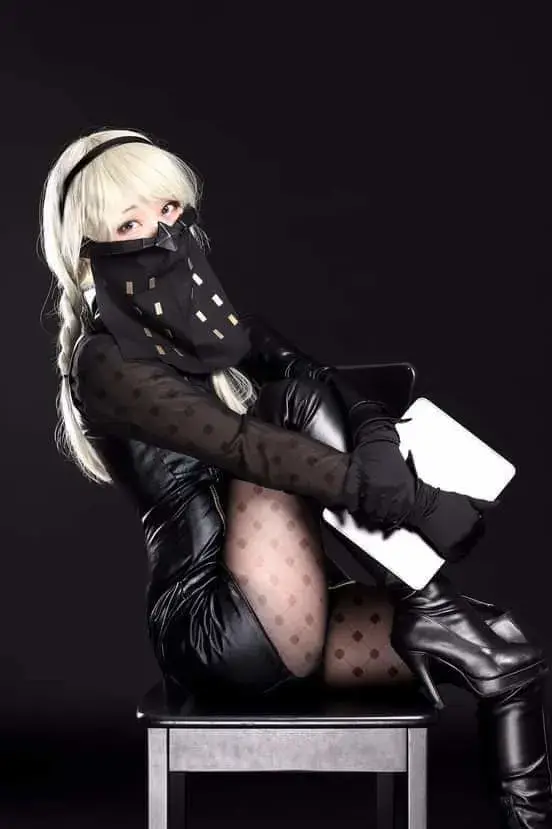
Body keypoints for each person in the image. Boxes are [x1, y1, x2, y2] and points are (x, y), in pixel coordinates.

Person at [38, 127, 552, 827]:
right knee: (290, 407)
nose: (161, 231)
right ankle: (435, 606)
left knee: (505, 647)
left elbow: (317, 373)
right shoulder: (105, 361)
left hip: (291, 603)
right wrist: (415, 501)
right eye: (129, 223)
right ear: (86, 249)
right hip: (218, 625)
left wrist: (376, 439)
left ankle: (527, 809)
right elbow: (248, 445)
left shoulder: (202, 325)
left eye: (168, 208)